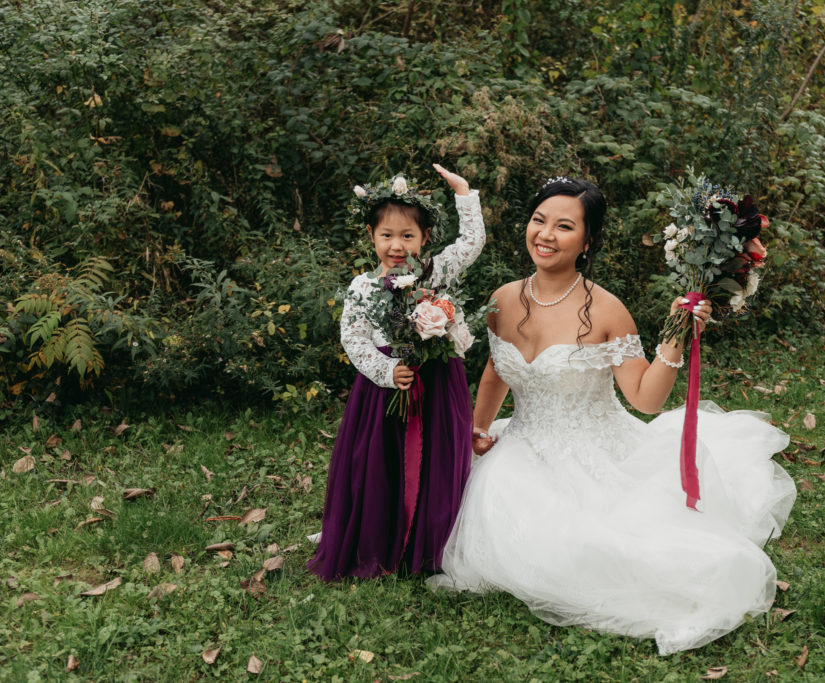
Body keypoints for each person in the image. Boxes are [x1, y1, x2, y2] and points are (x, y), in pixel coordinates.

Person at [428, 177, 796, 654]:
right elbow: (497, 370)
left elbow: (645, 400)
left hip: (593, 451)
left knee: (596, 547)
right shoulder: (504, 298)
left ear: (588, 242)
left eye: (564, 226)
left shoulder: (606, 310)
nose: (545, 234)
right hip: (519, 445)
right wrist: (477, 430)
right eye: (539, 220)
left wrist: (677, 332)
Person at [307, 164, 484, 580]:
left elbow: (472, 242)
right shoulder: (362, 287)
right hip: (384, 390)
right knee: (380, 464)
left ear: (424, 240)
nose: (397, 245)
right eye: (387, 235)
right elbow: (354, 339)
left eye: (408, 236)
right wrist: (388, 371)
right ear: (371, 236)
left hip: (437, 383)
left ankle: (430, 540)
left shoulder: (432, 272)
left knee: (435, 461)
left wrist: (464, 195)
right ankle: (379, 536)